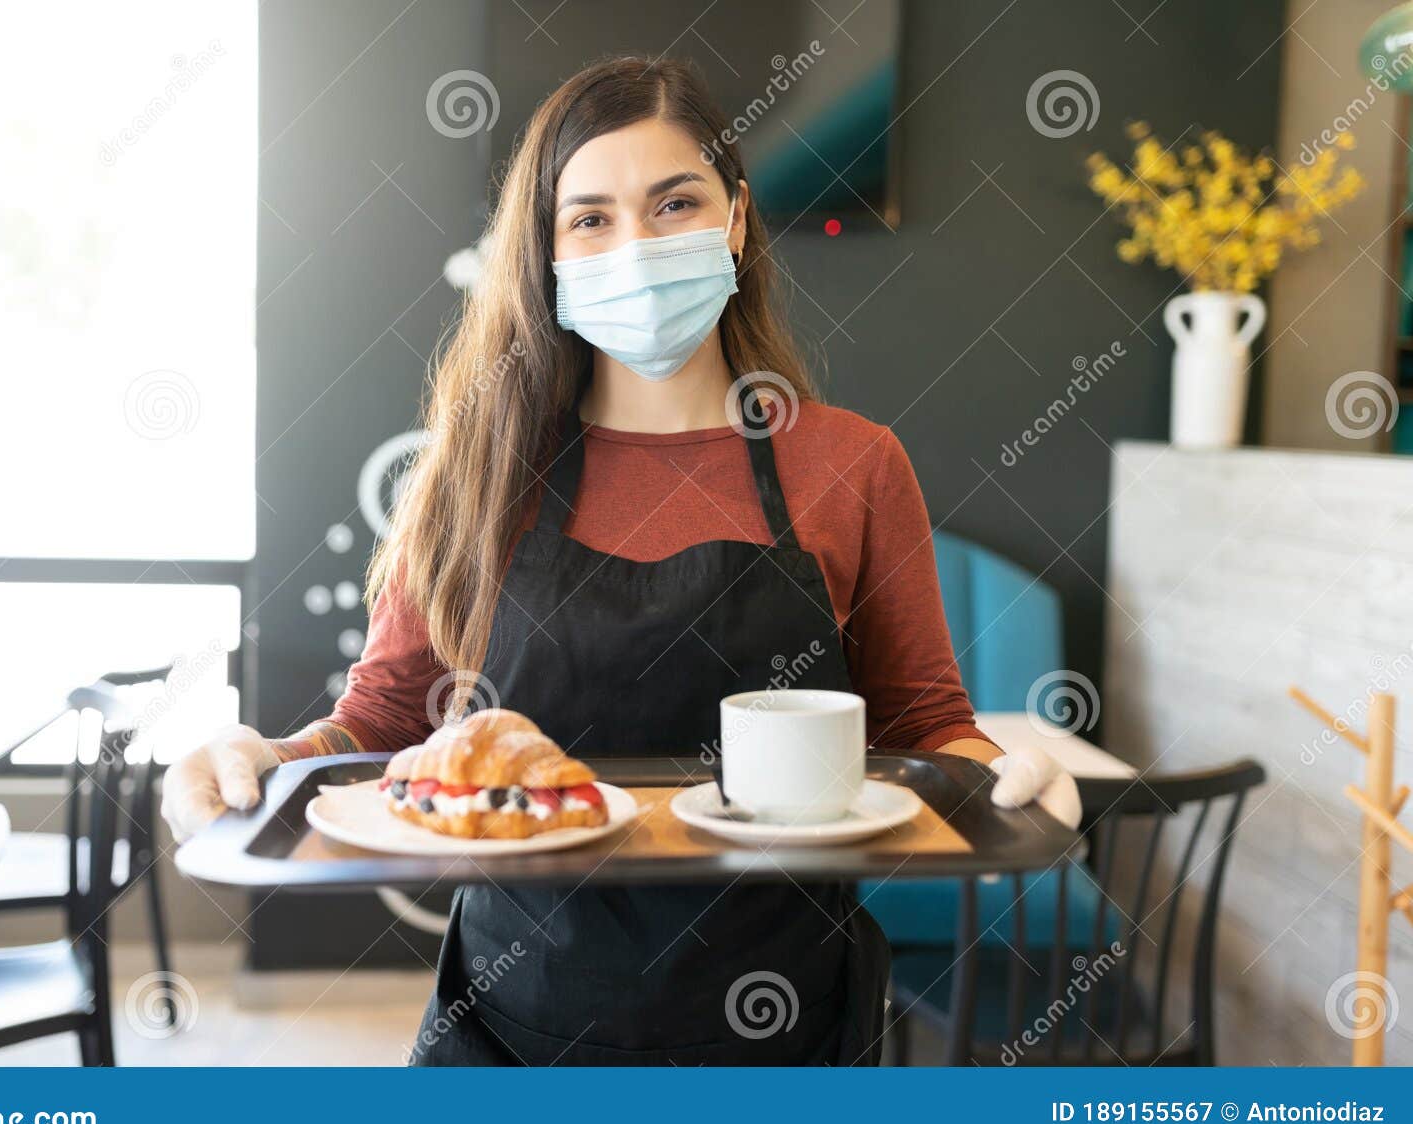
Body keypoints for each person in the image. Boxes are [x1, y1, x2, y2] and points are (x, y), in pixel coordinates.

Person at [163, 56, 1078, 1065]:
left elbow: (923, 728)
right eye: (590, 218)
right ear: (547, 253)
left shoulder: (853, 465)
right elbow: (382, 722)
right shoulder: (476, 470)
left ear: (734, 219)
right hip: (514, 1029)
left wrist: (1012, 774)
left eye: (673, 203)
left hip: (785, 1029)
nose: (634, 246)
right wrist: (263, 760)